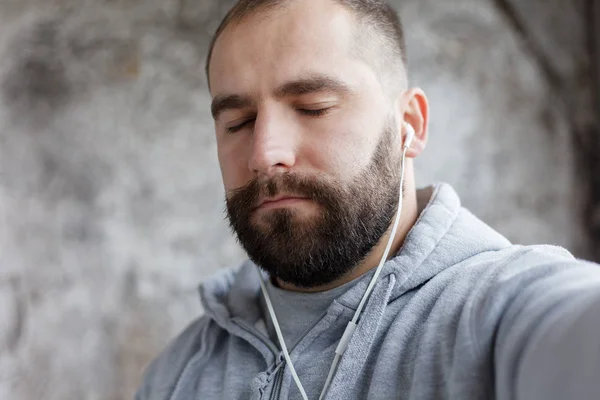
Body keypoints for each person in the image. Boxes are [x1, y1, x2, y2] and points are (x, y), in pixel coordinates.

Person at [135, 0, 600, 399]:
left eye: (313, 106)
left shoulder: (502, 311)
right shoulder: (177, 374)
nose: (264, 153)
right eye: (237, 121)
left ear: (409, 125)